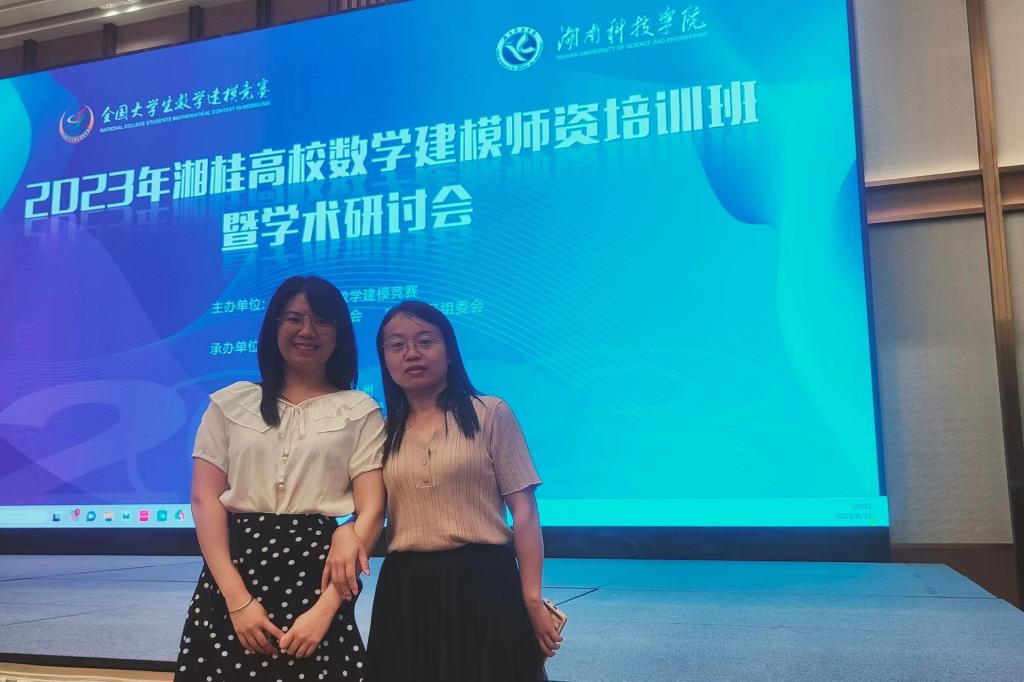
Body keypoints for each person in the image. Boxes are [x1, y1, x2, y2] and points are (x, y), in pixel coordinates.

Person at [174, 275, 385, 682]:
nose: (307, 330)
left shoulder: (360, 410)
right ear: (274, 327)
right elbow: (204, 499)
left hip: (319, 575)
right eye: (294, 318)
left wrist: (327, 609)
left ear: (340, 335)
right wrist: (237, 601)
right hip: (234, 572)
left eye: (322, 321)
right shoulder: (230, 403)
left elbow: (373, 509)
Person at [362, 300, 562, 682]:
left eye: (425, 341)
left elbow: (525, 512)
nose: (412, 353)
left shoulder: (490, 413)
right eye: (397, 345)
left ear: (450, 350)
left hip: (485, 582)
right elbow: (368, 510)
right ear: (385, 358)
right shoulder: (381, 432)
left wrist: (532, 599)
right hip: (405, 588)